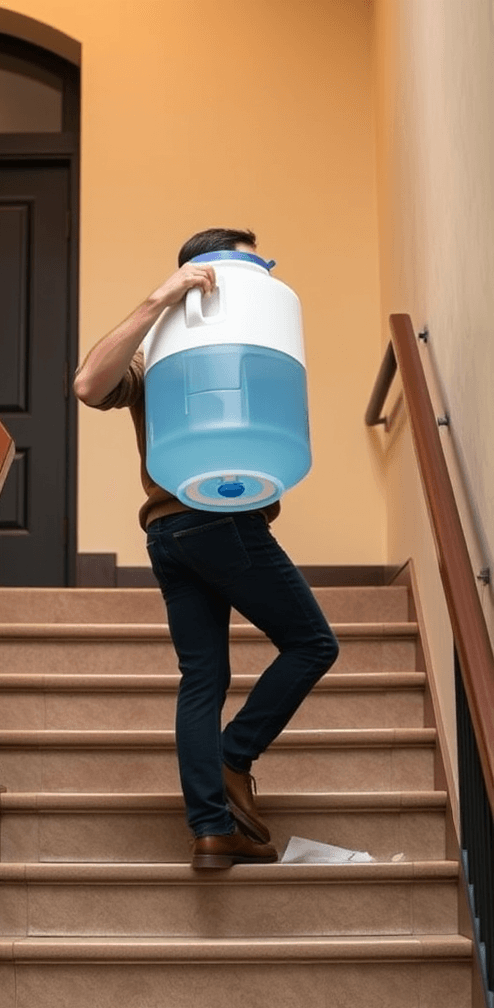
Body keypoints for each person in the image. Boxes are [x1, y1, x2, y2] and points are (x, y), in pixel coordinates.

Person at [74, 228, 339, 869]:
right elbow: (87, 384)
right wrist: (155, 301)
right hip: (215, 523)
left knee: (203, 677)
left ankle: (211, 831)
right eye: (250, 261)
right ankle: (232, 756)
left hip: (170, 535)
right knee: (312, 644)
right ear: (207, 271)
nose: (259, 271)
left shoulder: (240, 337)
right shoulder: (164, 345)